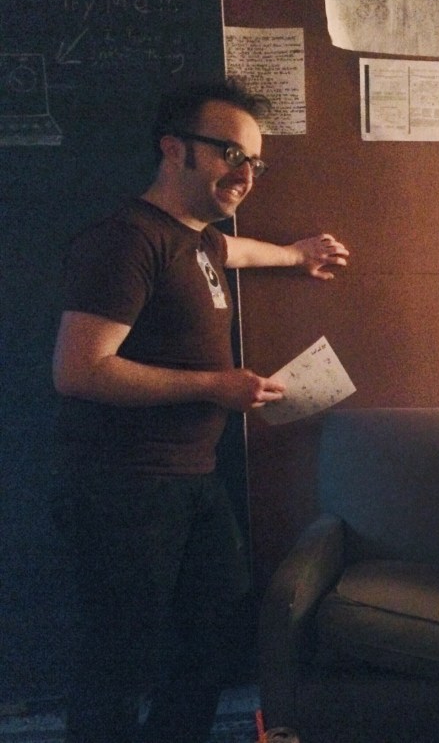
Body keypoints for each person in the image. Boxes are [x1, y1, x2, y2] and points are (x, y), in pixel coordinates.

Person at [50, 77, 350, 743]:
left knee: (213, 637)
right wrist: (213, 386)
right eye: (229, 153)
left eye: (255, 162)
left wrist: (296, 255)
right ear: (173, 148)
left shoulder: (201, 242)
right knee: (118, 663)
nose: (245, 175)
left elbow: (239, 251)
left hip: (192, 480)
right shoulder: (127, 241)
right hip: (122, 487)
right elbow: (79, 371)